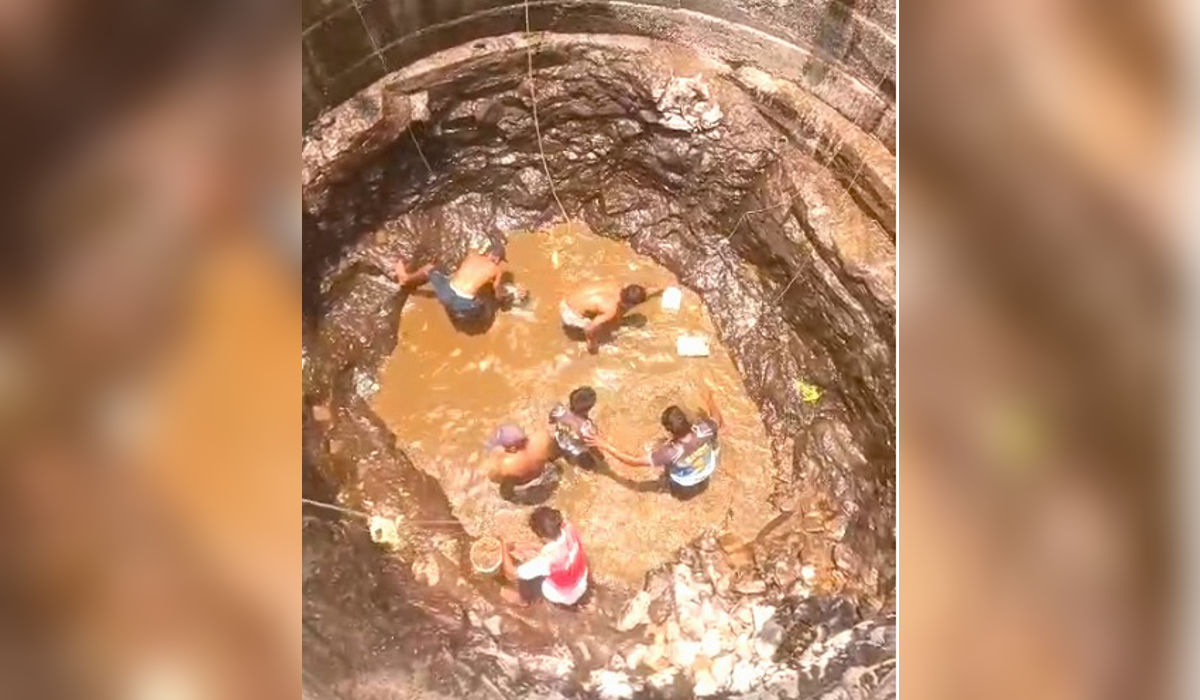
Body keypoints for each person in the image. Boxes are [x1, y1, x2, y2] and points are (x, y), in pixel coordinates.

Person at [587, 384, 724, 499]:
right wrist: (710, 399)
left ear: (669, 430)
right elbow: (717, 418)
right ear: (687, 420)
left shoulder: (670, 452)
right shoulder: (705, 429)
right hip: (707, 469)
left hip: (685, 483)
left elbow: (633, 461)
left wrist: (604, 445)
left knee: (656, 451)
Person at [394, 241, 520, 322]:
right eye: (500, 260)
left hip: (446, 293)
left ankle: (406, 279)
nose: (499, 262)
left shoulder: (472, 256)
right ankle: (469, 318)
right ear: (497, 258)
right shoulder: (496, 269)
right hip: (464, 305)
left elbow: (463, 273)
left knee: (429, 269)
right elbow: (498, 295)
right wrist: (511, 296)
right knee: (486, 304)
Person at [500, 507, 589, 606]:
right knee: (538, 561)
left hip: (566, 594)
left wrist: (503, 545)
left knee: (526, 579)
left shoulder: (546, 561)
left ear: (541, 535)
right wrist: (524, 546)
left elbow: (511, 572)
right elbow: (555, 547)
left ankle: (524, 600)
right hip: (580, 578)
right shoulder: (568, 527)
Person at [560, 281, 661, 352]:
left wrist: (659, 291)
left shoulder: (615, 285)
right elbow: (589, 328)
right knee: (608, 333)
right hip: (569, 314)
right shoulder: (611, 310)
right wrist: (592, 344)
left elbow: (641, 292)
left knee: (610, 318)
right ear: (628, 304)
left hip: (569, 299)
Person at [483, 424, 559, 504]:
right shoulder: (542, 440)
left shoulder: (506, 467)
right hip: (548, 482)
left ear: (512, 449)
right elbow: (555, 454)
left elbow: (492, 478)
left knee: (504, 491)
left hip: (526, 492)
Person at [548, 386, 600, 468]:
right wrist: (600, 457)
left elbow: (551, 421)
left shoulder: (559, 410)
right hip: (574, 451)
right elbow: (591, 445)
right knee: (591, 465)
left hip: (559, 440)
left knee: (552, 456)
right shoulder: (586, 427)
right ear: (589, 408)